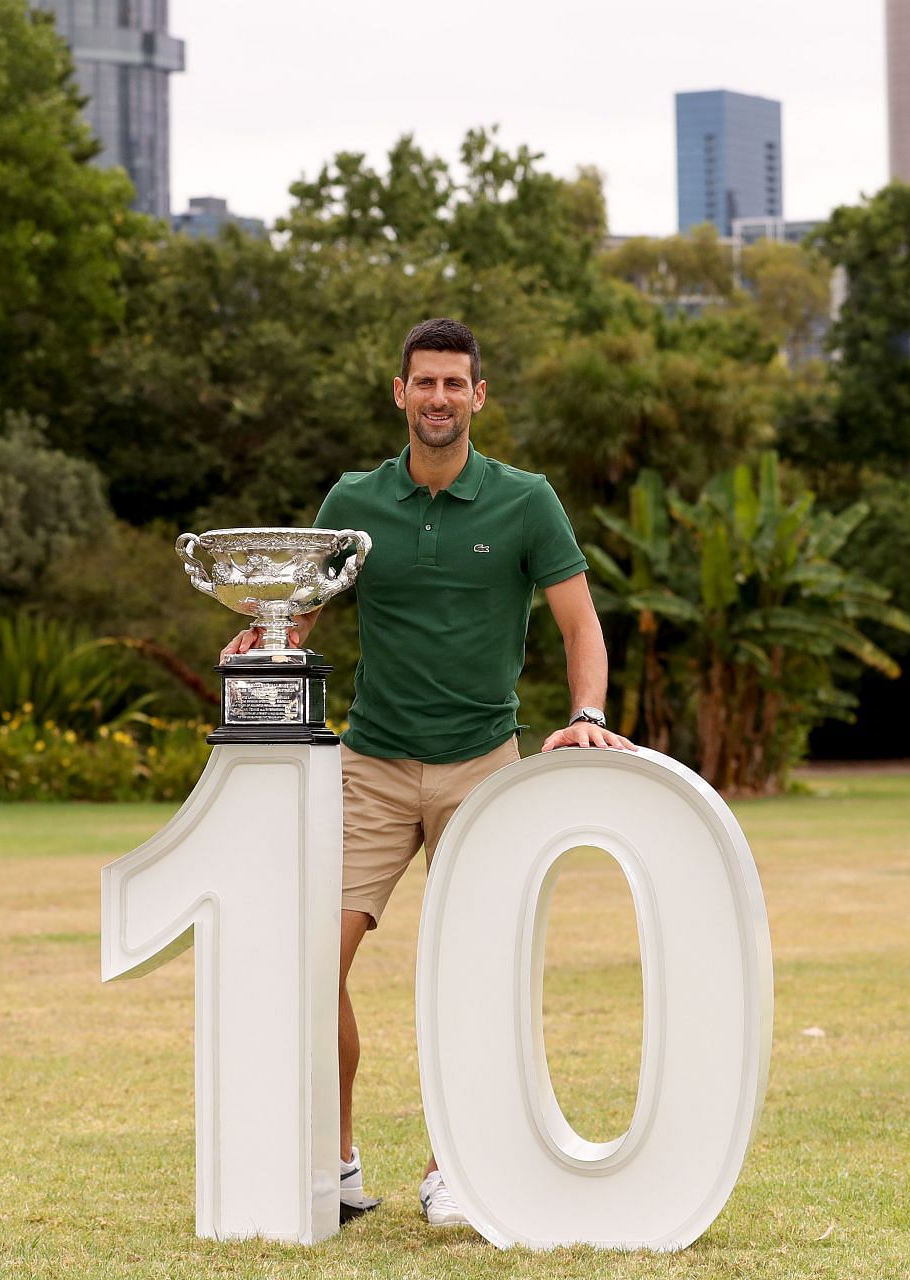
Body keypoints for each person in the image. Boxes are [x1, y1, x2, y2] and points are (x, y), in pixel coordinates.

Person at [218, 317, 635, 1231]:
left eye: (456, 384)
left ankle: (456, 1166)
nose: (439, 398)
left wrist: (587, 715)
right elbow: (307, 616)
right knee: (308, 961)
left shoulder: (526, 501)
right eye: (425, 383)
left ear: (479, 396)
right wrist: (265, 642)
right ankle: (338, 1162)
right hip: (370, 763)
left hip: (483, 765)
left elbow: (580, 626)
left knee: (470, 974)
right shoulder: (353, 499)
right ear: (398, 393)